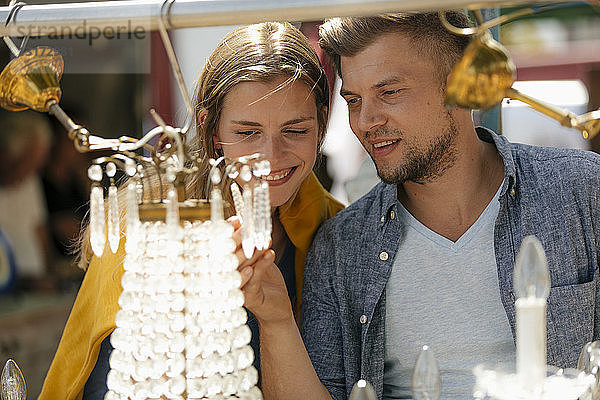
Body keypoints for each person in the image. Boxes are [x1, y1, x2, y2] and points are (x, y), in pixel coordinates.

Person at [239, 12, 600, 400]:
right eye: (354, 100)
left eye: (389, 92)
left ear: (459, 85)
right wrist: (276, 320)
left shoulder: (581, 191)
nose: (366, 120)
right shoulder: (342, 246)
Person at [39, 21, 343, 400]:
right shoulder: (149, 225)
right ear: (210, 128)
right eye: (248, 132)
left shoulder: (339, 229)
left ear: (321, 124)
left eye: (296, 130)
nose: (271, 155)